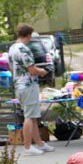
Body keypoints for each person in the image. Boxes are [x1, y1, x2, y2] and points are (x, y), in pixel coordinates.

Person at [8, 24, 54, 156]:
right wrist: (44, 71)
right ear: (28, 35)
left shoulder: (12, 48)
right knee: (28, 116)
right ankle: (27, 147)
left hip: (18, 85)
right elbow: (32, 70)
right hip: (28, 86)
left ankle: (39, 143)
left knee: (32, 115)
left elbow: (12, 68)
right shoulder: (24, 49)